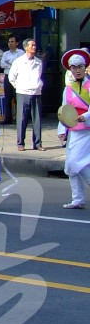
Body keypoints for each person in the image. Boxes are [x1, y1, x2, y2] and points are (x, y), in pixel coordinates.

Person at [59, 49, 90, 209]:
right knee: (71, 167)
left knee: (76, 162)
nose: (77, 70)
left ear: (85, 67)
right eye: (73, 67)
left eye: (80, 66)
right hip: (73, 130)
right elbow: (64, 110)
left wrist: (86, 116)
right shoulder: (68, 88)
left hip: (87, 130)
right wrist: (62, 130)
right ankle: (77, 198)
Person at [8, 38, 43, 151]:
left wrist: (39, 85)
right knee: (22, 119)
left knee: (37, 119)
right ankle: (20, 143)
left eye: (35, 44)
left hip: (36, 92)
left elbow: (40, 75)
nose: (34, 47)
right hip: (23, 92)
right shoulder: (18, 61)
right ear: (26, 47)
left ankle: (37, 143)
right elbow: (11, 77)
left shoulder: (38, 61)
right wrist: (18, 87)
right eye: (32, 45)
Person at [0, 35, 22, 124]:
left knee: (17, 98)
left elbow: (20, 64)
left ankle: (19, 118)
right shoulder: (5, 54)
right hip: (7, 76)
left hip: (18, 77)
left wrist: (10, 64)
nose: (10, 43)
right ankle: (8, 118)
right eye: (9, 42)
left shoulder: (21, 53)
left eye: (12, 42)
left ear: (17, 43)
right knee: (7, 98)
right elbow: (2, 65)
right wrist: (13, 64)